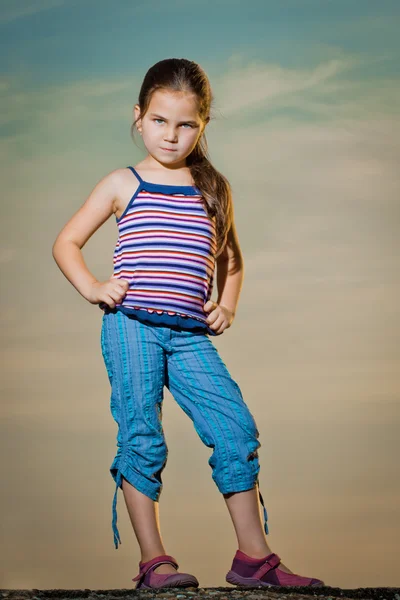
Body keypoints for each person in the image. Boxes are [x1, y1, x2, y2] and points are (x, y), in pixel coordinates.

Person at [52, 57, 324, 590]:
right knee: (143, 437)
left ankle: (254, 559)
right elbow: (66, 242)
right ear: (138, 117)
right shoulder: (122, 183)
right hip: (131, 326)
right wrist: (92, 287)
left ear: (202, 124)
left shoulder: (213, 188)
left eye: (185, 124)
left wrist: (228, 304)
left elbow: (233, 260)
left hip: (190, 336)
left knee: (235, 429)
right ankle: (154, 561)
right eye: (159, 121)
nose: (171, 135)